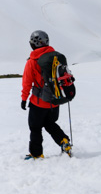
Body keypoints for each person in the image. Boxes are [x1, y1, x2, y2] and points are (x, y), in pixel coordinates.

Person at [21, 30, 72, 159]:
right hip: (55, 99)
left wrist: (23, 99)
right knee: (50, 123)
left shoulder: (32, 62)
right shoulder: (56, 56)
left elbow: (27, 83)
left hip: (38, 102)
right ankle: (64, 141)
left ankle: (36, 154)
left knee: (35, 127)